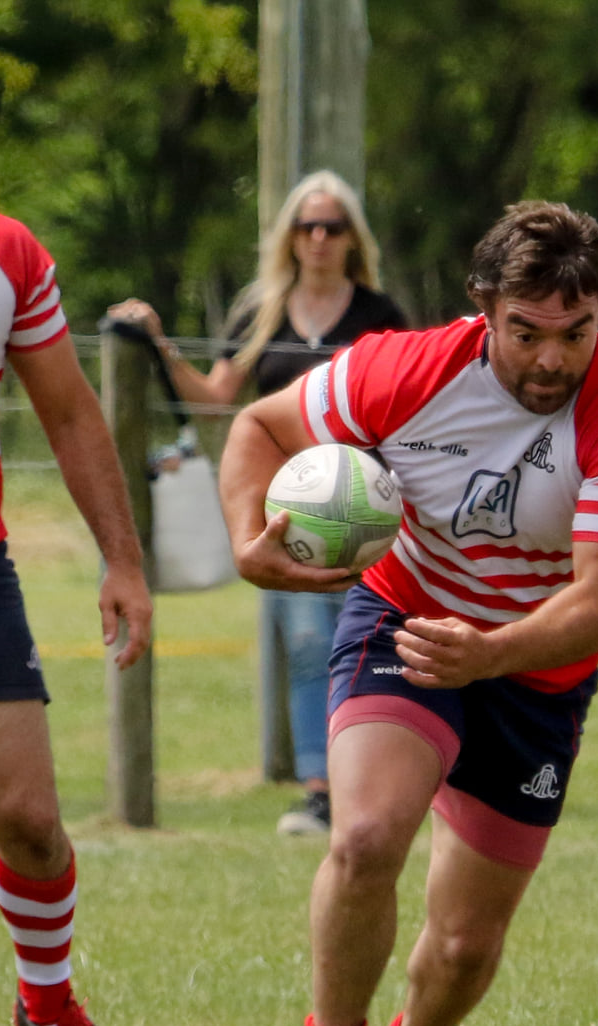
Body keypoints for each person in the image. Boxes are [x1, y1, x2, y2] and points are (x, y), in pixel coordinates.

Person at [217, 201, 598, 1026]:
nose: (552, 361)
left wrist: (495, 651)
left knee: (464, 948)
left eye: (575, 334)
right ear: (484, 308)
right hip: (405, 621)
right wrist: (249, 540)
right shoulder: (408, 369)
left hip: (535, 674)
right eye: (527, 333)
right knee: (366, 835)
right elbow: (259, 425)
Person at [109, 170, 408, 837]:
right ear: (291, 238)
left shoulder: (378, 315)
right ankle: (321, 793)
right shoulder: (260, 311)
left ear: (352, 238)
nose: (320, 238)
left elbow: (406, 406)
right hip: (288, 512)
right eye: (308, 226)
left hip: (368, 510)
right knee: (306, 645)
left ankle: (375, 785)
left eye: (333, 226)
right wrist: (157, 344)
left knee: (373, 644)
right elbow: (215, 398)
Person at [0, 212, 151, 1026]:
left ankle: (46, 1006)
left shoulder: (12, 255)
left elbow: (67, 411)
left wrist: (121, 559)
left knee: (28, 819)